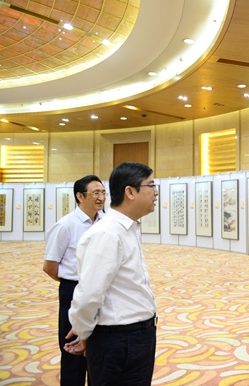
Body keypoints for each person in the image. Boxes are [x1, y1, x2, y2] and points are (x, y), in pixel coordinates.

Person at [64, 162, 159, 386]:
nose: (156, 192)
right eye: (151, 185)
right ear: (130, 192)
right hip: (118, 341)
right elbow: (89, 294)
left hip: (135, 338)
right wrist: (84, 332)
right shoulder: (107, 233)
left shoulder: (126, 228)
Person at [43, 175, 106, 386]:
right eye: (95, 193)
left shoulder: (106, 222)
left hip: (102, 290)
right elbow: (49, 266)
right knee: (73, 349)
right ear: (80, 196)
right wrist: (74, 282)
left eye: (103, 192)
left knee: (99, 347)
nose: (101, 197)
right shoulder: (65, 225)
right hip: (73, 290)